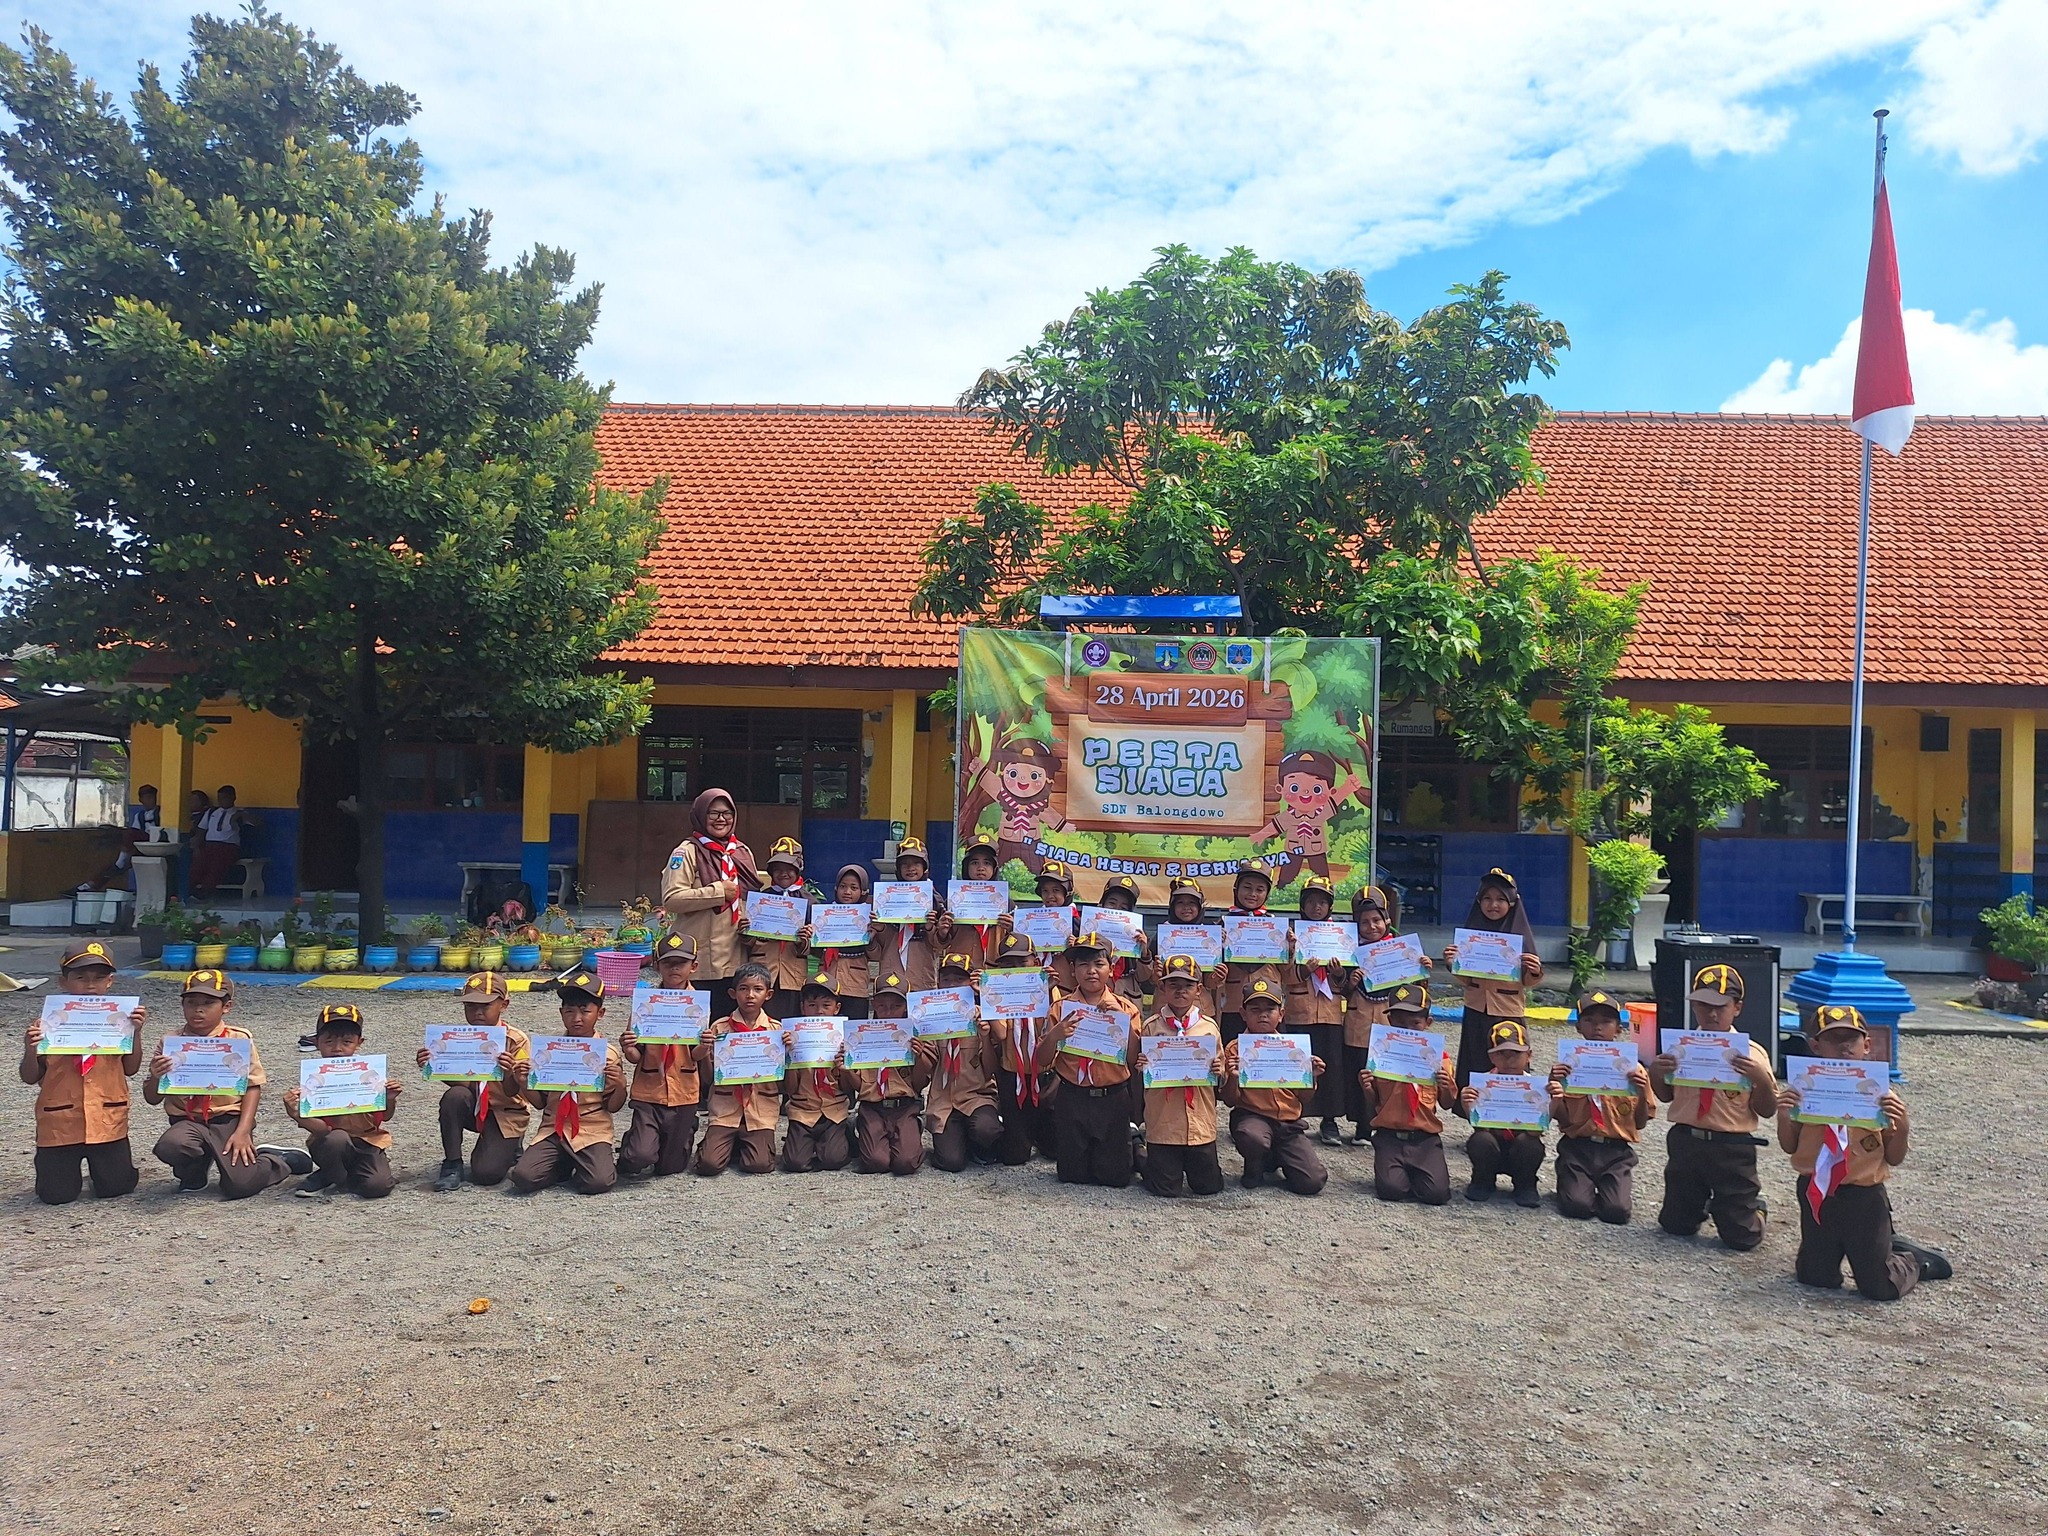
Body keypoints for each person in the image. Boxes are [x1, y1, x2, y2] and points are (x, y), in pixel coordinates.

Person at [1776, 1005, 1940, 1299]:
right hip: (1817, 1190)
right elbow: (1789, 1146)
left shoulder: (1880, 1096)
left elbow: (1894, 1158)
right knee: (1815, 1277)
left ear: (1867, 1045)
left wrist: (1902, 1125)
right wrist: (1784, 1116)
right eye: (1833, 1039)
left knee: (1879, 1287)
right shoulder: (1804, 1091)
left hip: (1864, 1196)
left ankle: (1911, 1259)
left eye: (1852, 1039)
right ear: (1815, 1046)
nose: (1844, 1047)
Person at [143, 969, 310, 1197]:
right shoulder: (171, 1042)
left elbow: (252, 1087)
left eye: (208, 1003)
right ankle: (193, 1170)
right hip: (187, 1119)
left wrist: (243, 1131)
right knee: (171, 1146)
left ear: (226, 1007)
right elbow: (151, 1098)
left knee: (240, 1186)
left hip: (228, 1119)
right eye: (191, 1002)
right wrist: (156, 1075)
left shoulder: (238, 1040)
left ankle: (277, 1160)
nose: (198, 1009)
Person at [1648, 963, 1778, 1251]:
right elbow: (1666, 1096)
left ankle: (1754, 1209)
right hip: (1686, 1141)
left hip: (1731, 1147)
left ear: (1737, 1008)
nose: (1712, 1014)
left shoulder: (1752, 1054)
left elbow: (1768, 1109)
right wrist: (1656, 1072)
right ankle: (1702, 1203)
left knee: (1742, 1238)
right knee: (1676, 1225)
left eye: (1720, 1007)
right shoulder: (1680, 1048)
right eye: (1703, 1006)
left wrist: (1760, 1079)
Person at [21, 940, 148, 1204]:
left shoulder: (121, 1020)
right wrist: (30, 1049)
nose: (90, 985)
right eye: (80, 977)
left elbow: (131, 1069)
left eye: (99, 978)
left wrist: (135, 1033)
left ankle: (105, 1171)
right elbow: (29, 1077)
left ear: (110, 982)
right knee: (56, 1196)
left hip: (107, 1119)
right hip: (60, 1121)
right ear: (63, 982)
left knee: (116, 1188)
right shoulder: (48, 1023)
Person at [507, 969, 627, 1195]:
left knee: (599, 1182)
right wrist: (523, 1082)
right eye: (570, 1011)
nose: (577, 1018)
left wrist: (620, 1085)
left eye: (585, 1011)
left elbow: (613, 1106)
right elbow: (541, 1103)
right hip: (555, 1127)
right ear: (561, 1013)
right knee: (523, 1177)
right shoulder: (549, 1051)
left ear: (600, 1013)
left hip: (591, 1128)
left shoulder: (608, 1055)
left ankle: (584, 1163)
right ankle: (561, 1165)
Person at [1040, 931, 1143, 1188]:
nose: (1091, 971)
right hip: (1072, 1097)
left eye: (1099, 964)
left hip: (1112, 1098)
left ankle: (1134, 1142)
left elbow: (1133, 1060)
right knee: (1072, 1176)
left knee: (1115, 1179)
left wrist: (1122, 1024)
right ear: (1073, 970)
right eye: (1083, 964)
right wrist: (1054, 1036)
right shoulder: (1060, 1008)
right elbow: (1042, 1060)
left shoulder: (1126, 1009)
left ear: (1111, 968)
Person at [420, 972, 534, 1193]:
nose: (477, 1012)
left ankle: (513, 1144)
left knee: (486, 1174)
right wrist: (432, 1065)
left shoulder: (516, 1041)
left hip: (506, 1111)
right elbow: (462, 1084)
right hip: (475, 1104)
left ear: (504, 1005)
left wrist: (509, 1072)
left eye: (485, 1006)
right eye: (470, 1006)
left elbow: (514, 1092)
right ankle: (452, 1163)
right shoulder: (457, 1039)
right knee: (454, 1097)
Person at [1547, 990, 1654, 1224]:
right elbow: (1563, 1119)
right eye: (1589, 1020)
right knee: (1577, 1206)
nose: (1598, 1027)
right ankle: (1574, 1184)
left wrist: (1640, 1091)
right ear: (1578, 1027)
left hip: (1616, 1152)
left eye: (1606, 1021)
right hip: (1577, 1147)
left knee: (1617, 1212)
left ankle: (1602, 1189)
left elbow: (1640, 1123)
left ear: (1619, 1029)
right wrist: (1554, 1087)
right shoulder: (1566, 1068)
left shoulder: (1633, 1070)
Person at [1218, 976, 1328, 1195]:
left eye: (1270, 1009)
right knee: (1252, 1137)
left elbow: (1304, 1098)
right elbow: (1230, 1101)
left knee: (1312, 1182)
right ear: (1243, 1014)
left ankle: (1277, 1156)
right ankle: (1255, 1163)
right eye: (1255, 1009)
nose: (1263, 1014)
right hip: (1253, 1118)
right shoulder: (1235, 1049)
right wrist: (1233, 1077)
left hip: (1289, 1123)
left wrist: (1312, 1077)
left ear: (1281, 1014)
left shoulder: (1294, 1049)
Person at [660, 787, 760, 1022]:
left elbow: (752, 899)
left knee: (729, 1028)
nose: (721, 819)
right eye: (713, 813)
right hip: (702, 962)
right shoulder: (686, 852)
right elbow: (672, 898)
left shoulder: (742, 852)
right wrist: (718, 892)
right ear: (700, 815)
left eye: (727, 813)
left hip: (737, 959)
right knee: (697, 1027)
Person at [1340, 886, 1431, 1145]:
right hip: (1359, 1021)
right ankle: (1362, 1126)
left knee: (1388, 1073)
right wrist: (1349, 981)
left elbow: (1416, 992)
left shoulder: (1402, 950)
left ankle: (1388, 1123)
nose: (1371, 927)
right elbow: (1339, 990)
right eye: (1364, 922)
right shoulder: (1348, 950)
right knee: (1360, 1072)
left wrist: (1423, 970)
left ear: (1387, 920)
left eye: (1376, 920)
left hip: (1389, 1020)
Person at [281, 1003, 399, 1200]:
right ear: (316, 1042)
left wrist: (389, 1099)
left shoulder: (369, 1074)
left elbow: (384, 1116)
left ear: (359, 1042)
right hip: (329, 1144)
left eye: (347, 1042)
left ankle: (338, 1175)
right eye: (329, 1041)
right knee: (337, 1139)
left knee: (378, 1187)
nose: (337, 1048)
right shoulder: (314, 1078)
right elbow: (321, 1130)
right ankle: (331, 1173)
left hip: (368, 1142)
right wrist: (296, 1114)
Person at [1132, 954, 1224, 1198]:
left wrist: (1219, 1070)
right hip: (1164, 1123)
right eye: (1173, 985)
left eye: (1187, 985)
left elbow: (1222, 1070)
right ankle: (1138, 1150)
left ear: (1198, 989)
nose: (1180, 991)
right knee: (1166, 1190)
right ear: (1162, 987)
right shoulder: (1151, 1027)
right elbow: (1142, 1073)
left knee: (1209, 1187)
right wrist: (1142, 1066)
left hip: (1200, 1123)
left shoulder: (1209, 1027)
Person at [1443, 868, 1543, 1088]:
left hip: (1508, 1010)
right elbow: (1468, 979)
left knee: (1510, 1065)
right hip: (1476, 1009)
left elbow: (1528, 980)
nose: (1493, 905)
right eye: (1487, 898)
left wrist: (1534, 970)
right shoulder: (1472, 933)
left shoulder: (1520, 935)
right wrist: (1453, 964)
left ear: (1512, 902)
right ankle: (1473, 1108)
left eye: (1500, 899)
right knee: (1475, 1063)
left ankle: (1511, 1106)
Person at [619, 933, 704, 1179]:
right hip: (649, 1091)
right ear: (657, 966)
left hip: (684, 1091)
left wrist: (706, 1046)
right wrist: (628, 1047)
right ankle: (635, 1140)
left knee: (669, 1168)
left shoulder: (700, 1005)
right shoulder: (645, 1004)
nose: (674, 968)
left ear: (694, 966)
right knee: (638, 1157)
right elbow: (635, 1056)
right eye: (667, 962)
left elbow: (697, 1055)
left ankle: (685, 1129)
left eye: (681, 962)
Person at [916, 951, 1002, 1172]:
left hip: (976, 1096)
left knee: (986, 1130)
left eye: (959, 979)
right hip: (944, 1101)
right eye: (946, 979)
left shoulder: (982, 1015)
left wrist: (985, 1036)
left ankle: (980, 1146)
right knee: (951, 1162)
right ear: (938, 983)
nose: (952, 984)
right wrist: (917, 1049)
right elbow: (927, 1067)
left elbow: (990, 1069)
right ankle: (957, 1139)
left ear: (971, 984)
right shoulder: (929, 1017)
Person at [1280, 874, 1350, 1145]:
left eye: (1322, 902)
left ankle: (1329, 1120)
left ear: (1330, 906)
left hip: (1330, 1011)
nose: (1316, 907)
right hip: (1300, 1009)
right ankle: (1294, 1113)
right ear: (1302, 905)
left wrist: (1340, 973)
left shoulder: (1342, 936)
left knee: (1331, 1065)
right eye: (1310, 902)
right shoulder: (1292, 934)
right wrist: (1301, 969)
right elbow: (1282, 973)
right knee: (1298, 1062)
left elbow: (1349, 981)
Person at [695, 962, 782, 1176]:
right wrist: (704, 1051)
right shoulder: (719, 1028)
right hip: (725, 1109)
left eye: (758, 989)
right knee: (708, 1165)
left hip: (760, 1111)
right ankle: (721, 1144)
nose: (750, 995)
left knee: (758, 1165)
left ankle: (741, 1145)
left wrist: (787, 1052)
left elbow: (785, 1083)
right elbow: (708, 1078)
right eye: (743, 989)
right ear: (733, 993)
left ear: (769, 994)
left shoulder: (777, 1031)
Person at [1455, 1019, 1547, 1207]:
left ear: (1529, 1055)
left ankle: (1525, 1184)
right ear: (1491, 1057)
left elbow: (1536, 1131)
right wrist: (1467, 1105)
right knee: (1480, 1140)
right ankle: (1483, 1180)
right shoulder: (1481, 1085)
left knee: (1530, 1143)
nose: (1509, 1060)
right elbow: (1480, 1127)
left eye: (1516, 1053)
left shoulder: (1537, 1088)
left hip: (1520, 1148)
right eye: (1501, 1054)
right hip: (1493, 1145)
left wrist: (1555, 1101)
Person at [850, 973, 931, 1176]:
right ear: (873, 1005)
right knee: (876, 1162)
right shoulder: (860, 1036)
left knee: (906, 1164)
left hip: (904, 1106)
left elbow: (919, 1084)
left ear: (906, 1007)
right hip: (872, 1107)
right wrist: (846, 1068)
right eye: (882, 1006)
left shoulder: (914, 1036)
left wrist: (919, 1057)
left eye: (896, 1006)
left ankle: (913, 1127)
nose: (888, 1012)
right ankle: (860, 1126)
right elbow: (858, 1086)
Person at [986, 934, 1056, 1166]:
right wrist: (987, 997)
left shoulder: (1051, 989)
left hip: (1045, 1078)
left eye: (1021, 962)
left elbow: (1050, 1032)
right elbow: (1001, 1034)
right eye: (1008, 964)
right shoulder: (997, 992)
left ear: (1035, 961)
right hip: (1012, 1076)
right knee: (1015, 1156)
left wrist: (1046, 994)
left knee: (1055, 1150)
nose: (1015, 969)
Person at [781, 979, 854, 1173]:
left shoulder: (845, 1037)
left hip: (834, 1109)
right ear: (802, 1007)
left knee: (833, 1160)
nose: (819, 1011)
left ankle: (846, 1131)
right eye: (812, 1005)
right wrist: (790, 1058)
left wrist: (845, 1066)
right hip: (803, 1110)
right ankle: (807, 1142)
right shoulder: (792, 1037)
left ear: (837, 1008)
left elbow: (849, 1088)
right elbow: (790, 1090)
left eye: (826, 1005)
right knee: (795, 1163)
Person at [869, 835, 953, 992]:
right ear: (898, 869)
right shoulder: (886, 899)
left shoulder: (935, 900)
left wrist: (931, 927)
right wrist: (879, 928)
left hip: (922, 974)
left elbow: (940, 945)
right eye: (905, 864)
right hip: (891, 973)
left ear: (925, 867)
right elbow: (878, 948)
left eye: (916, 863)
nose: (910, 868)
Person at [747, 836, 815, 1019]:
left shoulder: (810, 902)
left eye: (789, 869)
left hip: (793, 973)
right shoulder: (760, 900)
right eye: (777, 869)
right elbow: (748, 942)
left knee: (790, 1020)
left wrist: (805, 940)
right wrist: (745, 932)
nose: (783, 874)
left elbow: (817, 949)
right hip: (763, 970)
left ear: (798, 869)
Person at [1220, 858, 1284, 1044]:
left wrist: (1290, 948)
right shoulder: (1221, 925)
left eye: (1260, 889)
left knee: (1269, 1052)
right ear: (1236, 889)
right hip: (1232, 1004)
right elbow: (1211, 975)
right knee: (1232, 1053)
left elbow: (1289, 975)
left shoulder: (1277, 927)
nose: (1252, 894)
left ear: (1267, 894)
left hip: (1267, 1005)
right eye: (1247, 887)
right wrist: (1217, 947)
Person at [1151, 875, 1227, 1022]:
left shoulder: (1210, 935)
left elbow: (1209, 983)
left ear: (1200, 906)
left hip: (1201, 1010)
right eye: (1180, 902)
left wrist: (1218, 977)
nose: (1186, 908)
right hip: (1164, 1009)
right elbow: (1149, 979)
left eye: (1192, 903)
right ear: (1172, 906)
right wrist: (1155, 974)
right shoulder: (1160, 935)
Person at [803, 864, 873, 1019]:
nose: (847, 892)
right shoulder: (824, 915)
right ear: (836, 888)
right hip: (827, 977)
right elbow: (814, 951)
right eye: (842, 886)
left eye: (854, 888)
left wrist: (872, 935)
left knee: (852, 1026)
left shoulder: (869, 917)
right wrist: (809, 937)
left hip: (855, 982)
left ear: (863, 891)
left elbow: (876, 955)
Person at [1095, 872, 1154, 1010]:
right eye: (1112, 903)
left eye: (1123, 908)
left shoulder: (1136, 936)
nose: (1117, 910)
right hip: (1095, 999)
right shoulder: (1088, 933)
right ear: (1102, 904)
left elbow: (1142, 977)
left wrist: (1144, 952)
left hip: (1127, 1001)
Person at [189, 785, 258, 898]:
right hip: (209, 845)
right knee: (198, 865)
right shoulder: (211, 812)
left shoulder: (238, 813)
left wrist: (241, 815)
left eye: (225, 798)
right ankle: (188, 890)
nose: (221, 801)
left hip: (228, 846)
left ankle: (206, 892)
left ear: (233, 798)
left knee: (216, 865)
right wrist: (195, 846)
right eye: (219, 798)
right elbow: (201, 831)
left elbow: (259, 823)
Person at [953, 835, 1007, 974]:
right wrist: (942, 930)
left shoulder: (1006, 903)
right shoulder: (954, 900)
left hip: (994, 973)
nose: (981, 868)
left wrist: (1013, 927)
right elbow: (940, 942)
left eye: (987, 863)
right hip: (959, 972)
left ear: (995, 868)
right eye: (974, 863)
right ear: (966, 867)